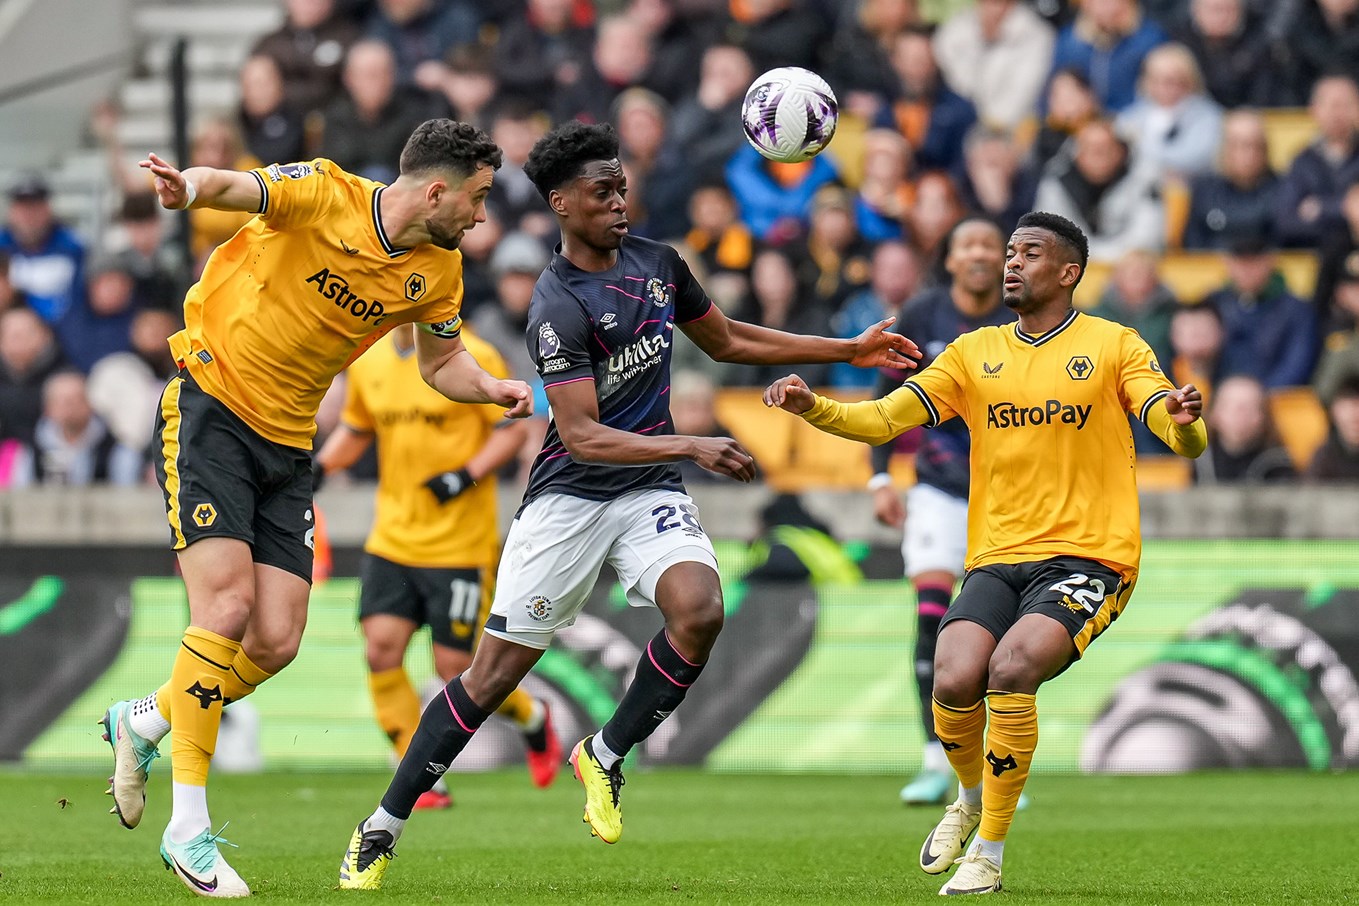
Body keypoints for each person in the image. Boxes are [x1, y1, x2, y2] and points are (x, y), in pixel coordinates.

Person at [336, 120, 917, 890]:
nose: (619, 202)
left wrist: (844, 351)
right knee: (488, 680)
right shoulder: (556, 303)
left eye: (622, 187)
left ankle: (603, 754)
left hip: (646, 491)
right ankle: (382, 826)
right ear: (560, 204)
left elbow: (727, 340)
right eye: (601, 192)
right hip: (569, 500)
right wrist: (691, 446)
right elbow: (578, 436)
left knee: (701, 612)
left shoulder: (658, 264)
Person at [98, 119, 532, 899]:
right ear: (437, 188)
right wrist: (189, 186)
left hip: (289, 446)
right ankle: (187, 825)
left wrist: (492, 389)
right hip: (212, 409)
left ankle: (148, 719)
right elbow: (243, 188)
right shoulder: (327, 192)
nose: (480, 215)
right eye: (476, 198)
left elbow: (444, 362)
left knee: (276, 640)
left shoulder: (438, 269)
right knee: (225, 610)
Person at [764, 211, 1206, 895]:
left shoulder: (1114, 344)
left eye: (1029, 254)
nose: (1010, 263)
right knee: (951, 677)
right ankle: (968, 798)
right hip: (998, 554)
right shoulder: (973, 353)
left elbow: (1165, 418)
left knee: (1012, 666)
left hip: (1091, 556)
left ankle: (990, 852)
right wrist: (811, 407)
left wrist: (1185, 426)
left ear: (1067, 272)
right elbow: (885, 418)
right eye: (1008, 252)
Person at [315, 323, 560, 809]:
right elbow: (357, 429)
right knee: (380, 650)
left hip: (459, 546)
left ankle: (533, 717)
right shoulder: (370, 362)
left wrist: (463, 476)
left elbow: (514, 433)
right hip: (393, 539)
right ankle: (419, 774)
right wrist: (319, 468)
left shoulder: (476, 354)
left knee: (458, 670)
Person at [863, 218, 1017, 806]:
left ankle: (998, 767)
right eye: (968, 245)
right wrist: (881, 477)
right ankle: (937, 761)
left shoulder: (1019, 319)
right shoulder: (924, 317)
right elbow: (885, 399)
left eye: (990, 246)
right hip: (937, 488)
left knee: (1003, 634)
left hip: (1006, 493)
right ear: (950, 260)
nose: (979, 254)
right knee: (932, 618)